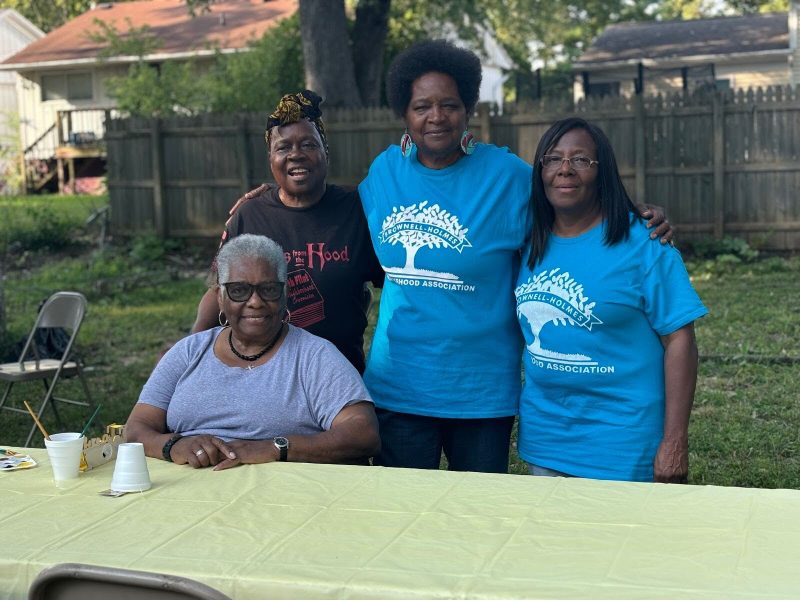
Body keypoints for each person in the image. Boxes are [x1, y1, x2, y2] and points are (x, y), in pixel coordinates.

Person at [359, 40, 674, 474]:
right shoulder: (384, 171)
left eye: (449, 105)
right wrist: (272, 198)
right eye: (421, 106)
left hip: (481, 392)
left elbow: (570, 205)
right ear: (403, 114)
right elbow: (337, 213)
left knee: (479, 510)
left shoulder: (507, 178)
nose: (436, 117)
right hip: (398, 387)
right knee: (404, 510)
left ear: (468, 108)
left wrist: (635, 213)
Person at [515, 117, 707, 482]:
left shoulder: (644, 243)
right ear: (540, 171)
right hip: (546, 441)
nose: (565, 169)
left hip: (623, 446)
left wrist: (674, 442)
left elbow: (680, 340)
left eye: (581, 159)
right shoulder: (526, 239)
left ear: (602, 171)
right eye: (553, 159)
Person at [127, 234, 380, 469]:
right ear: (220, 297)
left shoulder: (314, 356)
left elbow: (363, 434)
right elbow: (136, 429)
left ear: (285, 294)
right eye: (239, 290)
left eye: (268, 289)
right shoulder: (189, 352)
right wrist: (174, 446)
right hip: (187, 492)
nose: (255, 302)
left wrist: (275, 448)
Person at [191, 90, 384, 374]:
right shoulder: (250, 216)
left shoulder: (359, 211)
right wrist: (189, 351)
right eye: (283, 148)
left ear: (325, 152)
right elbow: (219, 289)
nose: (296, 155)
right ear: (270, 158)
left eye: (308, 144)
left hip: (338, 375)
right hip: (263, 377)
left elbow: (397, 284)